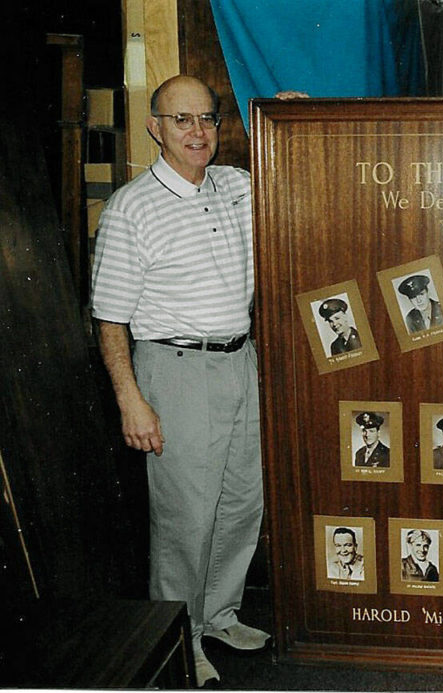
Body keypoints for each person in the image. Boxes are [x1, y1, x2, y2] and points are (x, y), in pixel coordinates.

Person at [90, 75, 269, 687]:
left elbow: (299, 177)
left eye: (208, 120)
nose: (198, 132)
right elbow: (109, 318)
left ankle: (217, 615)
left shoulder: (238, 188)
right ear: (155, 127)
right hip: (175, 369)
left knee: (245, 501)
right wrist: (130, 401)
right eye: (182, 120)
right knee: (186, 517)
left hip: (241, 360)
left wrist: (302, 117)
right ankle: (177, 636)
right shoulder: (131, 208)